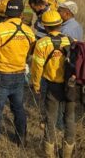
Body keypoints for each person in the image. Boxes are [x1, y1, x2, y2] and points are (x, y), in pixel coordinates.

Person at [0, 0, 35, 147]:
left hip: (1, 75)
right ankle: (22, 139)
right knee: (18, 107)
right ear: (21, 14)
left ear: (7, 12)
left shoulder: (0, 28)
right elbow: (31, 51)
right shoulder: (28, 30)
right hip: (19, 75)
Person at [31, 10, 75, 158]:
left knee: (50, 119)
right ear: (60, 24)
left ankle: (49, 153)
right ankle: (67, 153)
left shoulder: (42, 43)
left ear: (45, 26)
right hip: (71, 86)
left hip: (53, 87)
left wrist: (36, 85)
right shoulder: (70, 40)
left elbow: (37, 68)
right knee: (69, 118)